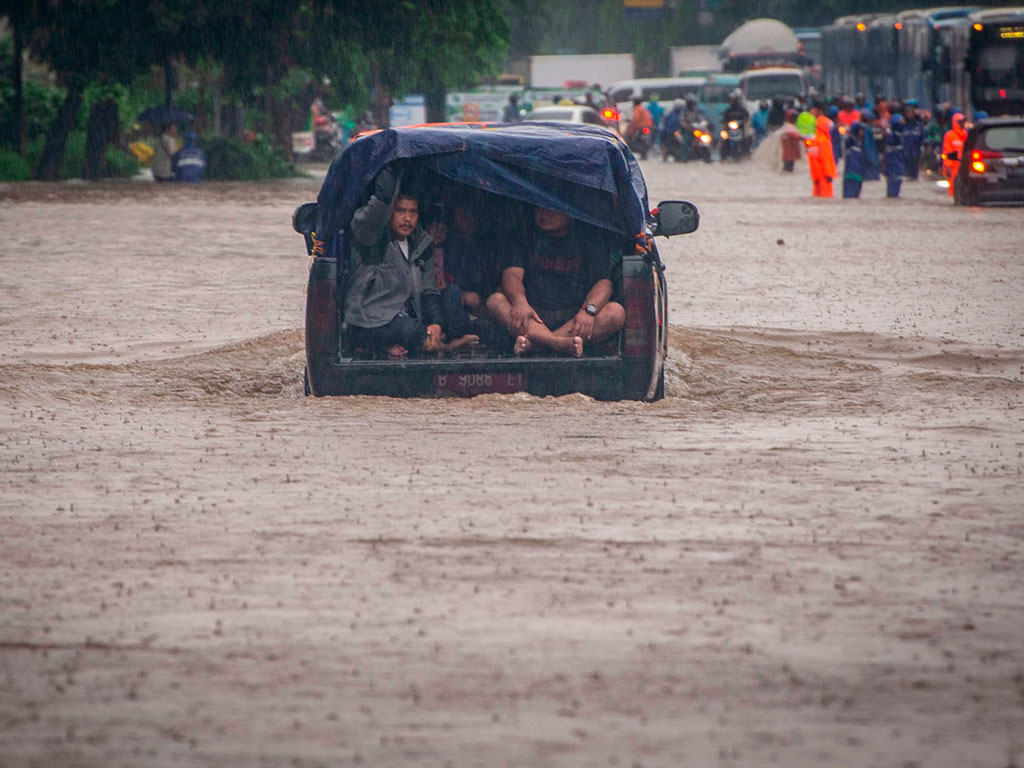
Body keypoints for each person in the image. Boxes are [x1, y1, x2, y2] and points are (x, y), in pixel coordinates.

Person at [486, 207, 625, 358]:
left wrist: (588, 310)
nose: (543, 214)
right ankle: (558, 344)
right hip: (533, 316)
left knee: (615, 312)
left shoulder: (588, 237)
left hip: (574, 318)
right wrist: (520, 302)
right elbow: (512, 275)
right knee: (495, 301)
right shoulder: (524, 234)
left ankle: (536, 346)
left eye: (551, 209)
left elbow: (604, 283)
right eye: (538, 209)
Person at [344, 164, 447, 359]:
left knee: (440, 326)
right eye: (400, 211)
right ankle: (451, 347)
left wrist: (435, 322)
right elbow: (376, 210)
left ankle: (396, 344)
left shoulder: (422, 244)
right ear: (390, 212)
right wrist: (390, 164)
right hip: (368, 321)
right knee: (413, 333)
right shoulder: (372, 237)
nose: (407, 219)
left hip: (403, 321)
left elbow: (429, 289)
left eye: (413, 212)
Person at [807, 112, 837, 197]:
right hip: (824, 177)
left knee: (817, 197)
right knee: (827, 198)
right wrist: (828, 174)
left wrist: (815, 176)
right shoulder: (824, 141)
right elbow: (825, 159)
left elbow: (812, 159)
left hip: (816, 177)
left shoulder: (813, 139)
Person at [942, 111, 967, 197]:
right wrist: (948, 166)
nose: (962, 124)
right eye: (960, 122)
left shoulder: (966, 134)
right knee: (953, 188)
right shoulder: (950, 135)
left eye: (963, 122)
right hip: (953, 167)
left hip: (964, 165)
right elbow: (947, 151)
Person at [901, 100, 925, 181]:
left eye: (911, 112)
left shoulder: (918, 126)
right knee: (907, 176)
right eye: (907, 112)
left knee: (914, 176)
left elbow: (923, 138)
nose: (909, 114)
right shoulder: (903, 126)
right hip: (905, 154)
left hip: (915, 154)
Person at [884, 113, 906, 198]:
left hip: (894, 168)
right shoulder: (895, 136)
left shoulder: (896, 136)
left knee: (893, 192)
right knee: (893, 193)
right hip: (894, 168)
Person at [842, 121, 865, 199]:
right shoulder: (850, 141)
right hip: (850, 177)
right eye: (860, 130)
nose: (862, 133)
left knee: (855, 198)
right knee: (849, 198)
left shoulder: (861, 143)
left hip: (858, 176)